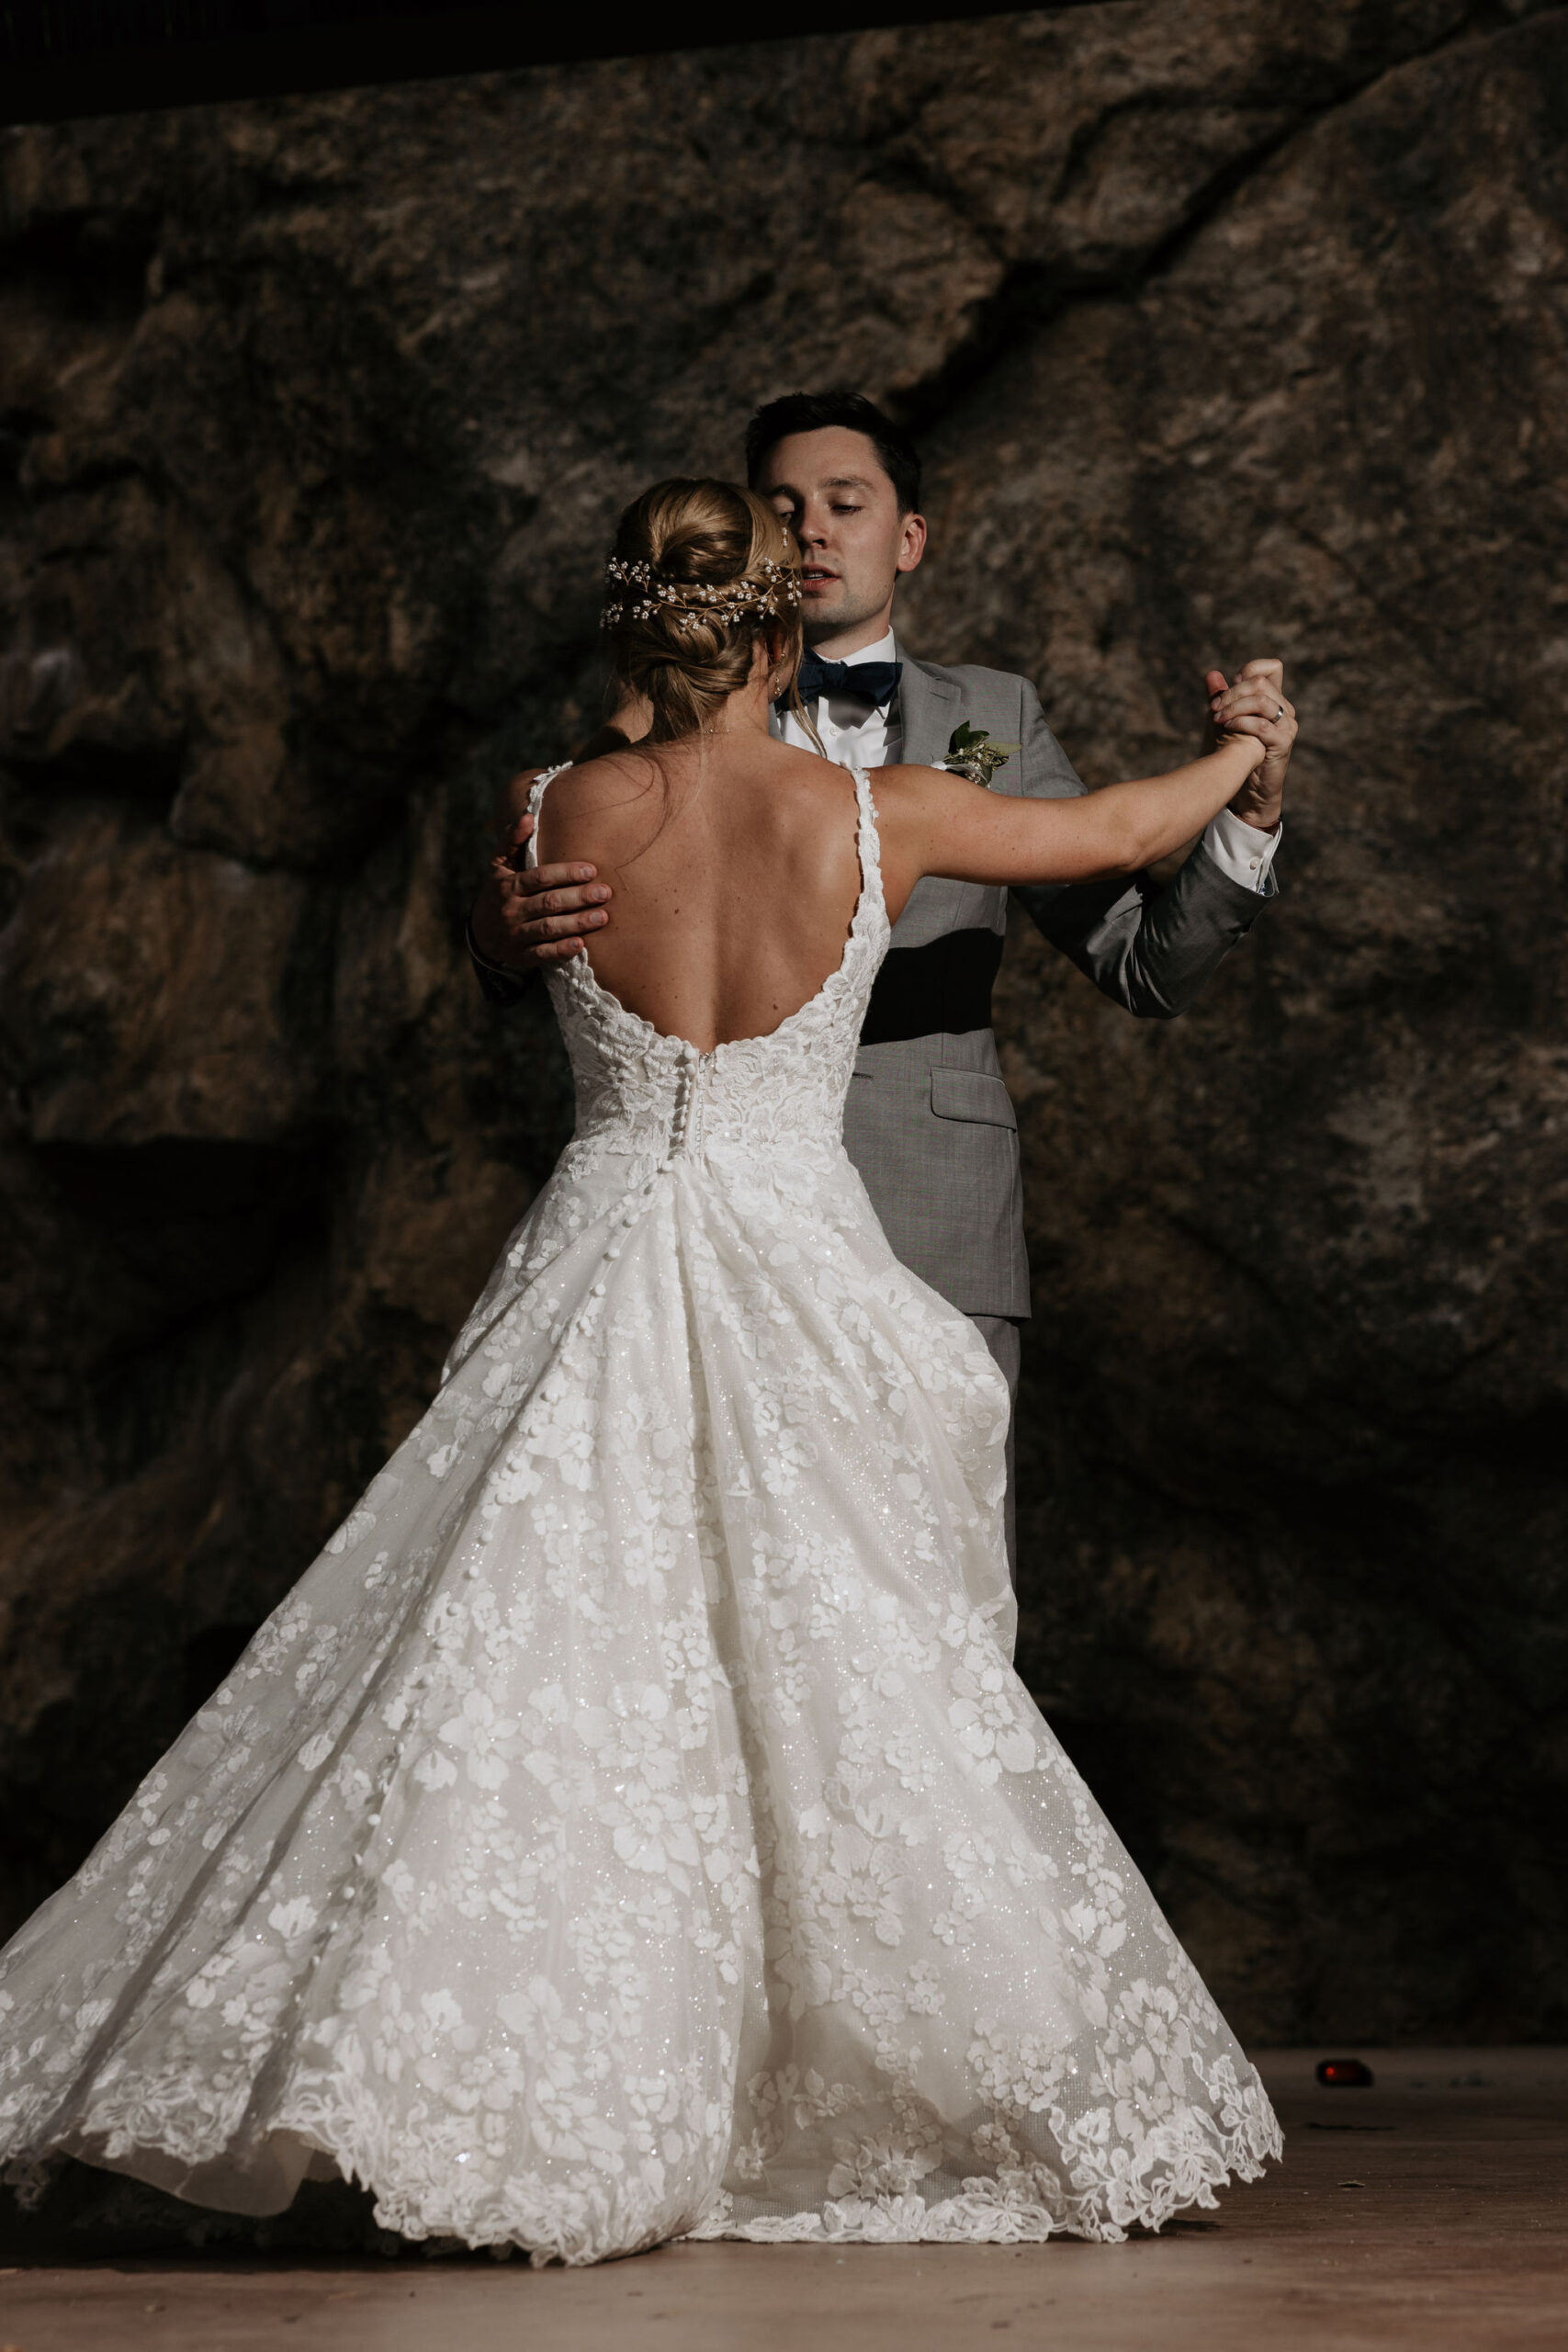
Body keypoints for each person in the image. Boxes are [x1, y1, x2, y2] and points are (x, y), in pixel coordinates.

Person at [0, 480, 1283, 2265]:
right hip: (793, 1265)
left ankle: (465, 2078)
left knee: (529, 1660)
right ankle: (822, 2065)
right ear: (774, 637)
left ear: (639, 631)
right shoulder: (876, 812)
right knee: (840, 1670)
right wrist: (1236, 755)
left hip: (596, 1257)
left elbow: (497, 949)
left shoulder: (544, 812)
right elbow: (1111, 830)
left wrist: (487, 927)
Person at [470, 391, 1294, 1571]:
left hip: (935, 1220)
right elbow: (550, 915)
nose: (811, 531)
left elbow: (1141, 961)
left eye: (845, 504)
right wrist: (494, 933)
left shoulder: (994, 717)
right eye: (782, 508)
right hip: (680, 1236)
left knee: (923, 1608)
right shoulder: (626, 750)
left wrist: (1251, 810)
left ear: (909, 535)